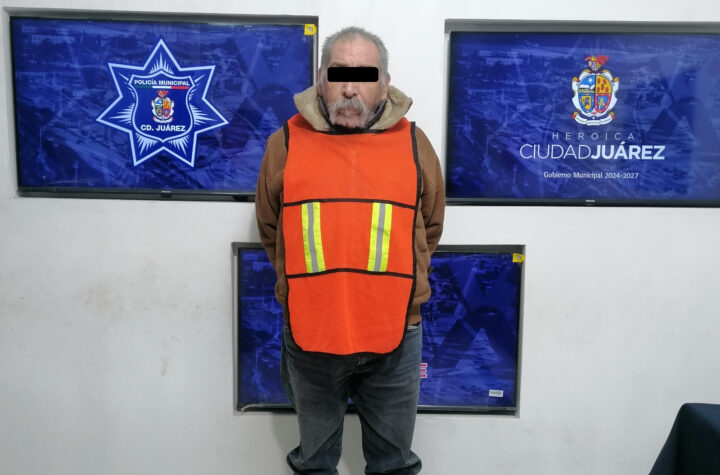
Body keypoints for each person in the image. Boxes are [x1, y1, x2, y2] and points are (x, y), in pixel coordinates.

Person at [255, 26, 445, 475]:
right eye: (338, 74)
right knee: (315, 463)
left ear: (385, 83)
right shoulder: (285, 143)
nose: (349, 88)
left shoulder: (415, 144)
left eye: (364, 75)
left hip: (397, 336)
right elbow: (270, 228)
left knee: (393, 464)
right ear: (321, 80)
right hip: (310, 333)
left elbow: (429, 226)